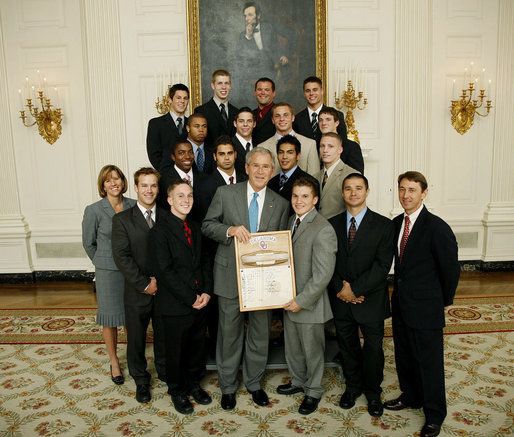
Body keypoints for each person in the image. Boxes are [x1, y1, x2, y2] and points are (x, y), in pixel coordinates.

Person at [202, 147, 289, 410]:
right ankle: (228, 387)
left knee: (260, 334)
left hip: (263, 282)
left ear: (272, 172)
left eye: (266, 167)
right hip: (229, 275)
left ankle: (253, 384)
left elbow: (281, 244)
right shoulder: (225, 193)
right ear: (247, 167)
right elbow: (207, 225)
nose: (261, 171)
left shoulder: (281, 203)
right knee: (229, 333)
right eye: (256, 166)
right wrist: (229, 229)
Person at [384, 171, 460, 437]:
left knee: (429, 362)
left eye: (412, 190)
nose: (406, 195)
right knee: (404, 354)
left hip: (426, 307)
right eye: (402, 189)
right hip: (402, 304)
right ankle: (411, 396)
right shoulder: (395, 224)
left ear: (424, 193)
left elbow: (450, 270)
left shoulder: (437, 227)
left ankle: (434, 414)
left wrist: (441, 301)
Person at [328, 173, 394, 417]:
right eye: (348, 188)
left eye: (358, 188)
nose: (353, 193)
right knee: (347, 345)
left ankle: (373, 392)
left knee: (374, 348)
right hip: (341, 299)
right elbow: (328, 262)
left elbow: (382, 265)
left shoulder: (384, 225)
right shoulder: (332, 224)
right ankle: (353, 386)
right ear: (342, 193)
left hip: (370, 299)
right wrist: (341, 289)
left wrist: (355, 290)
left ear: (367, 191)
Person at [148, 180, 212, 415]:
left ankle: (194, 384)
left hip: (199, 301)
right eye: (181, 196)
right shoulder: (159, 232)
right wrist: (190, 297)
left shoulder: (195, 228)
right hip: (176, 304)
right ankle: (177, 390)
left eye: (190, 196)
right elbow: (165, 272)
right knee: (175, 351)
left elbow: (205, 261)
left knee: (196, 347)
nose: (186, 200)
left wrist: (205, 291)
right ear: (169, 200)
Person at [276, 176, 337, 415]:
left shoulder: (323, 228)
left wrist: (301, 301)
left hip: (308, 304)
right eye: (295, 196)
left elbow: (323, 275)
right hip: (289, 300)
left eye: (304, 196)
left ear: (315, 199)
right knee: (293, 347)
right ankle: (298, 381)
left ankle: (313, 390)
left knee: (312, 351)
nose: (298, 201)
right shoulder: (292, 221)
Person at [111, 167, 167, 403]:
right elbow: (122, 257)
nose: (149, 190)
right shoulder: (122, 219)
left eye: (153, 185)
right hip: (137, 291)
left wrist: (162, 283)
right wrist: (145, 284)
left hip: (165, 291)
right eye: (144, 185)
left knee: (165, 336)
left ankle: (166, 373)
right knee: (136, 338)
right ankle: (141, 380)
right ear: (136, 187)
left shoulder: (168, 215)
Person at [82, 165, 135, 385]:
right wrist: (101, 262)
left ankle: (134, 358)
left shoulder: (133, 205)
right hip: (107, 272)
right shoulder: (94, 210)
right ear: (102, 186)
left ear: (123, 182)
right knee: (110, 317)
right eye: (108, 180)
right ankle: (114, 361)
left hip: (132, 268)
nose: (113, 183)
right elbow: (88, 242)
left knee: (132, 316)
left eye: (117, 179)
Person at [194, 136, 248, 357]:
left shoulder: (247, 178)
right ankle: (220, 351)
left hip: (246, 252)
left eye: (230, 153)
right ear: (215, 157)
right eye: (221, 154)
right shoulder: (205, 183)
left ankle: (243, 349)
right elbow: (203, 221)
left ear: (236, 155)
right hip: (216, 251)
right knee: (220, 308)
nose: (226, 157)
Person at [234, 3, 289, 105]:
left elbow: (276, 47)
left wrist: (282, 55)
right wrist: (248, 37)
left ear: (258, 15)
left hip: (270, 70)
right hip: (252, 73)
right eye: (245, 16)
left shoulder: (268, 28)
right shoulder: (242, 36)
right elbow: (240, 59)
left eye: (250, 15)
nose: (247, 18)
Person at [258, 102, 319, 176]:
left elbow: (314, 178)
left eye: (285, 115)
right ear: (273, 120)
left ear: (293, 118)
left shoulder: (310, 144)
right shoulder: (262, 147)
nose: (282, 119)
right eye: (277, 116)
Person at [267, 135, 319, 213]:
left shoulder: (310, 182)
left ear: (298, 156)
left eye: (290, 152)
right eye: (281, 152)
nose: (284, 156)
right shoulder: (270, 183)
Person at [294, 76, 348, 147]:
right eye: (308, 91)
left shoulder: (338, 115)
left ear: (322, 91)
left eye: (315, 90)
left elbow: (343, 142)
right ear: (304, 93)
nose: (311, 93)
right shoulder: (297, 119)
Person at [316, 132, 359, 219]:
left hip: (340, 230)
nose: (325, 150)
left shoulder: (352, 175)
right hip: (317, 229)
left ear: (340, 150)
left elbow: (356, 209)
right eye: (322, 146)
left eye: (330, 146)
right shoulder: (314, 176)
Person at [146, 83, 189, 170]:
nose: (182, 101)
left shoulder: (192, 123)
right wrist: (168, 174)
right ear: (170, 99)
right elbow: (154, 155)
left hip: (191, 176)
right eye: (178, 97)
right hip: (167, 177)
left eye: (185, 98)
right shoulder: (156, 124)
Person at [194, 69, 238, 146]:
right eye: (220, 83)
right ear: (213, 85)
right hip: (210, 156)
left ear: (230, 86)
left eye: (226, 83)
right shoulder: (201, 111)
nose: (224, 87)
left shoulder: (236, 112)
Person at [158, 140, 202, 210]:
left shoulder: (205, 179)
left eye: (190, 152)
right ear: (173, 157)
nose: (187, 156)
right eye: (181, 153)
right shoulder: (163, 181)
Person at [319, 106, 364, 174]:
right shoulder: (316, 144)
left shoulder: (352, 147)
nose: (323, 123)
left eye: (328, 119)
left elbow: (356, 176)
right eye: (321, 120)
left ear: (337, 123)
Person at [252, 77, 277, 145]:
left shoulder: (279, 113)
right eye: (259, 89)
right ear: (255, 92)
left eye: (267, 90)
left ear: (274, 93)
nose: (263, 93)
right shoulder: (251, 114)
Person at [232, 107, 256, 175]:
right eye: (241, 121)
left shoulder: (259, 145)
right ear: (235, 123)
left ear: (254, 124)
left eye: (249, 121)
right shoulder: (229, 145)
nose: (245, 124)